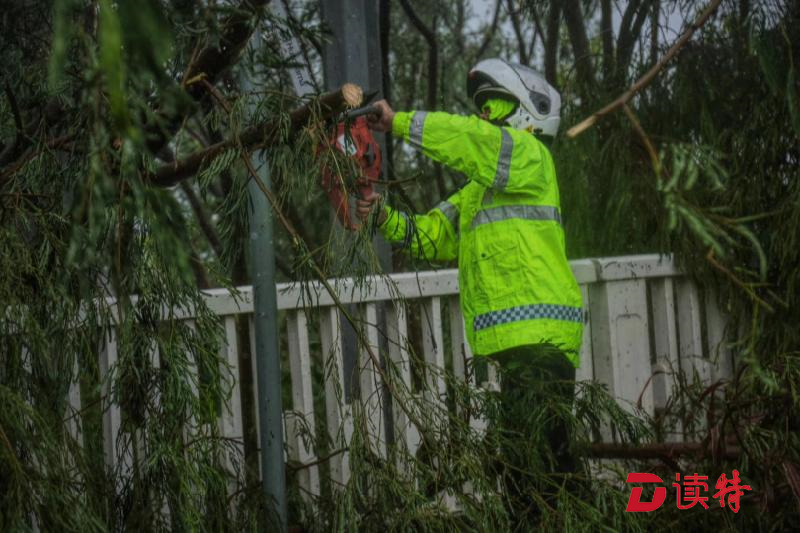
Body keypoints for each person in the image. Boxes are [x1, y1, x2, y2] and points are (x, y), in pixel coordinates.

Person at [358, 58, 584, 523]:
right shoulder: (479, 192)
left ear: (527, 114)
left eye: (494, 109)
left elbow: (469, 140)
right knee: (531, 476)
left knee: (537, 479)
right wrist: (381, 215)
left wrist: (398, 122)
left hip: (541, 344)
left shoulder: (530, 157)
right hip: (519, 350)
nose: (483, 118)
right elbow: (430, 235)